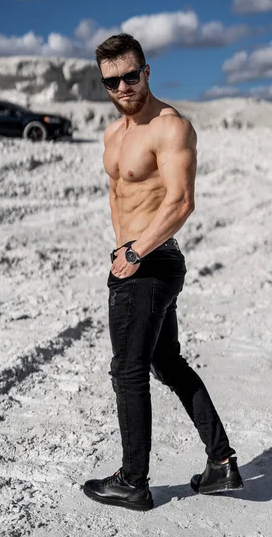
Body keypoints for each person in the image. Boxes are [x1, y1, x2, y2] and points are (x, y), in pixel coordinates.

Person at [83, 34, 243, 511]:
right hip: (134, 260)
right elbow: (119, 199)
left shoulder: (171, 126)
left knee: (128, 371)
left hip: (150, 260)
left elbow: (181, 201)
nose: (123, 87)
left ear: (147, 71)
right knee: (165, 363)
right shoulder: (114, 135)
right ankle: (221, 463)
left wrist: (133, 255)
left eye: (131, 76)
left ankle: (133, 481)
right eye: (112, 80)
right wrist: (123, 252)